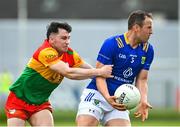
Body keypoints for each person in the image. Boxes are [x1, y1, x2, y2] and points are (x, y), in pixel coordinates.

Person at [5, 22, 113, 126]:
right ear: (51, 40)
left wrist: (111, 84)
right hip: (18, 100)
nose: (67, 42)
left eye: (69, 38)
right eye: (63, 38)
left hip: (40, 103)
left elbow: (91, 72)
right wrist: (100, 71)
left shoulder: (69, 54)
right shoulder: (45, 52)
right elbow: (68, 73)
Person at [76, 10, 154, 126]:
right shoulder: (112, 44)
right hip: (98, 94)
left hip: (119, 101)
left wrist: (143, 99)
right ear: (136, 27)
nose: (151, 32)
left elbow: (142, 79)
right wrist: (107, 97)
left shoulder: (148, 50)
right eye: (148, 27)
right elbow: (100, 75)